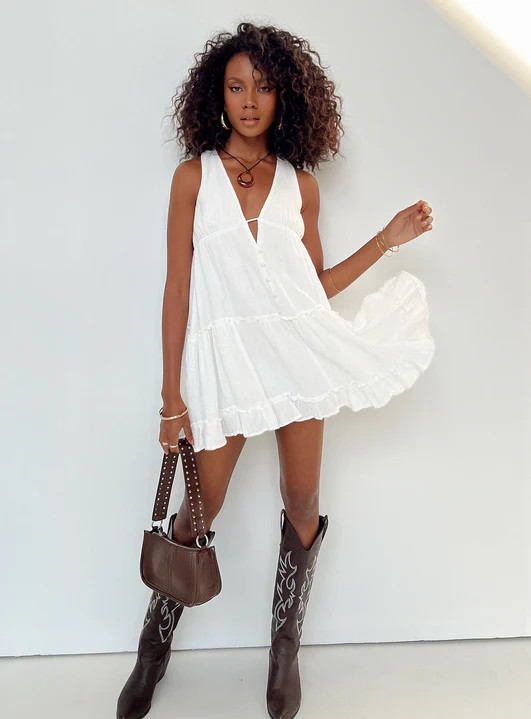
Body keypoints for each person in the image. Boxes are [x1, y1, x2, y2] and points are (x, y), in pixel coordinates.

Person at [117, 21, 435, 719]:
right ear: (217, 96)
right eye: (236, 87)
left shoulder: (301, 187)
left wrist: (385, 239)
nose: (249, 100)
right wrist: (171, 397)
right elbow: (177, 291)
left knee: (301, 503)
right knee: (197, 512)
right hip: (226, 365)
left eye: (262, 87)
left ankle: (284, 649)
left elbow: (311, 291)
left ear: (283, 95)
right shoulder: (193, 178)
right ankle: (152, 649)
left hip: (296, 360)